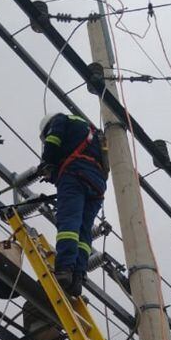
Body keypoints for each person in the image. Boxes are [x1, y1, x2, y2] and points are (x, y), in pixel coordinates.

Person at [36, 112, 108, 297]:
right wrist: (53, 174)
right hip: (97, 185)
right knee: (84, 233)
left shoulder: (60, 119)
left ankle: (64, 269)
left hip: (75, 174)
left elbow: (53, 142)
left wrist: (46, 162)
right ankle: (77, 276)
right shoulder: (87, 132)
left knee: (69, 222)